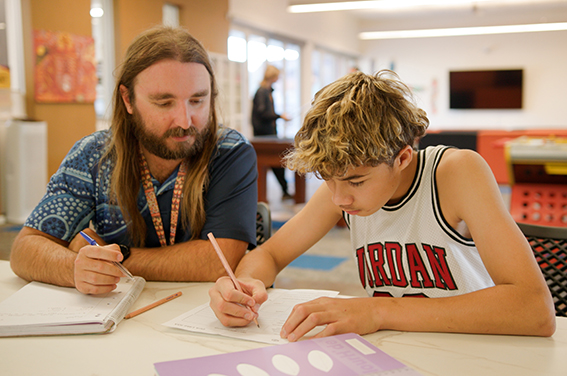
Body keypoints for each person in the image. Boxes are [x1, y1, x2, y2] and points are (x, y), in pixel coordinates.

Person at [209, 70, 556, 340]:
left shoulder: (456, 173)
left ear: (403, 157)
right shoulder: (342, 189)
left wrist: (378, 311)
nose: (339, 199)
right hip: (404, 349)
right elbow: (268, 255)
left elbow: (534, 309)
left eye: (356, 181)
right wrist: (245, 285)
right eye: (328, 179)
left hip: (479, 346)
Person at [10, 26, 258, 295]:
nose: (185, 121)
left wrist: (116, 259)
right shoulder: (93, 154)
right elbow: (25, 249)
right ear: (128, 99)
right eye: (164, 103)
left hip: (204, 310)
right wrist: (75, 267)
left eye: (198, 100)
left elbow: (219, 261)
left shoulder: (230, 152)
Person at [251, 65, 292, 200]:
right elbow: (263, 114)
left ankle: (284, 191)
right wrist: (280, 116)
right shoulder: (262, 92)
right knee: (271, 164)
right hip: (264, 135)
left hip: (269, 132)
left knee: (278, 165)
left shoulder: (268, 91)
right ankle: (266, 194)